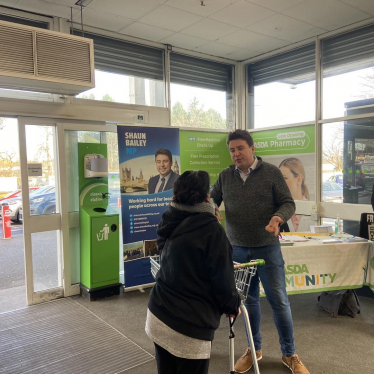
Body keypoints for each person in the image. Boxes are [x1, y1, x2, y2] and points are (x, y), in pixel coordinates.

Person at [211, 129, 310, 374]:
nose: (236, 154)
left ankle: (290, 354)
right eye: (232, 150)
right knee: (248, 302)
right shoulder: (225, 176)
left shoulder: (272, 173)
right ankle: (253, 349)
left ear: (252, 149)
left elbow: (288, 203)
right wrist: (211, 207)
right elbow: (212, 197)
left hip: (267, 248)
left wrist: (278, 217)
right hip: (237, 250)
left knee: (279, 301)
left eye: (240, 148)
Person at [146, 170, 241, 374]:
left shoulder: (169, 217)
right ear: (207, 196)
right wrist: (233, 306)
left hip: (158, 313)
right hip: (189, 325)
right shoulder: (212, 230)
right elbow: (223, 281)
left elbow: (167, 253)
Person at [279, 157, 312, 232]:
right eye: (279, 179)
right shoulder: (277, 211)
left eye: (284, 178)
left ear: (299, 179)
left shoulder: (313, 211)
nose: (280, 184)